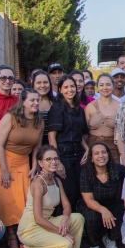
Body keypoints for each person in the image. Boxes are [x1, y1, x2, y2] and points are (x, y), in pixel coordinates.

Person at [0, 88, 44, 248]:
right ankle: (11, 235)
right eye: (32, 100)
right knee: (5, 199)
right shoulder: (10, 117)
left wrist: (35, 166)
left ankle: (23, 234)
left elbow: (37, 147)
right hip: (3, 160)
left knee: (23, 200)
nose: (36, 103)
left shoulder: (39, 121)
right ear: (23, 102)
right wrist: (4, 170)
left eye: (37, 100)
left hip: (23, 162)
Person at [17, 145, 84, 248]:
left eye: (56, 159)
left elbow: (67, 205)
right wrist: (62, 233)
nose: (53, 162)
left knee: (78, 218)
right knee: (66, 244)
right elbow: (38, 219)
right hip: (31, 228)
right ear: (40, 163)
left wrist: (64, 219)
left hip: (47, 221)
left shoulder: (56, 180)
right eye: (48, 159)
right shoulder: (38, 183)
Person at [80, 142, 125, 248]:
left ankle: (110, 238)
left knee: (122, 212)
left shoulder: (120, 171)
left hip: (114, 204)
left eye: (103, 152)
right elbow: (88, 200)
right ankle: (94, 246)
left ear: (108, 154)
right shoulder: (86, 172)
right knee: (92, 217)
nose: (101, 156)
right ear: (91, 158)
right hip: (92, 206)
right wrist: (103, 210)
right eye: (96, 153)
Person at [48, 75, 89, 211]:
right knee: (68, 191)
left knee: (80, 190)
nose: (69, 90)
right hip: (63, 154)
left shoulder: (79, 110)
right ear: (60, 89)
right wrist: (56, 161)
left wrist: (87, 150)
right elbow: (51, 136)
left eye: (72, 86)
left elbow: (81, 136)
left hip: (79, 154)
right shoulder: (57, 108)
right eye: (65, 87)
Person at [85, 74, 120, 162]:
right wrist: (86, 149)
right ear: (97, 87)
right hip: (93, 146)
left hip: (113, 146)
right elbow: (83, 133)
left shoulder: (120, 106)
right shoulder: (90, 107)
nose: (105, 88)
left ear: (113, 85)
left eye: (108, 84)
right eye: (101, 85)